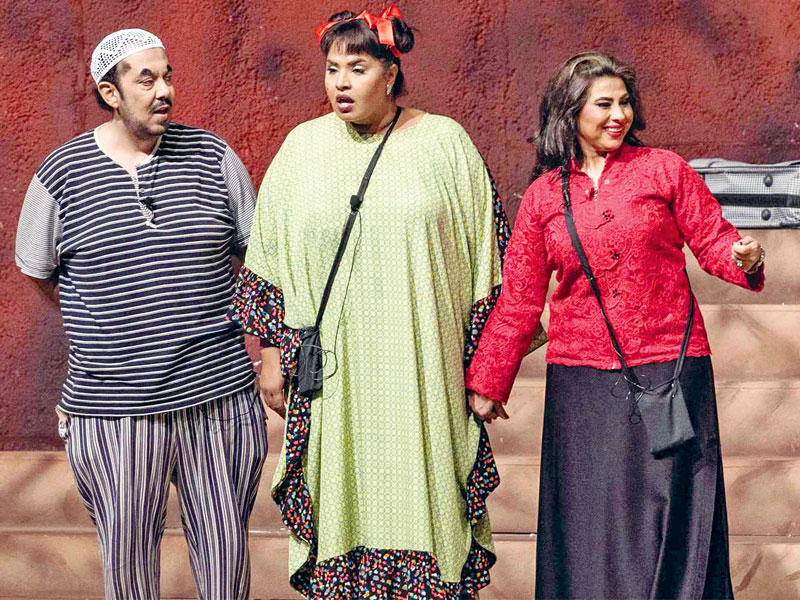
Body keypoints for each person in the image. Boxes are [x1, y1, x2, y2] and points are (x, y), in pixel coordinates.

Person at [227, 5, 544, 597]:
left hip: (424, 375)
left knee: (430, 505)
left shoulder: (444, 143)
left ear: (391, 73)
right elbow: (268, 257)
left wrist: (489, 371)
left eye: (358, 68)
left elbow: (494, 262)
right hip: (335, 382)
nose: (340, 83)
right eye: (332, 69)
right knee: (342, 504)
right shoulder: (300, 150)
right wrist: (269, 354)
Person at [465, 51, 765, 599]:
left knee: (673, 517)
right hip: (583, 384)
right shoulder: (544, 197)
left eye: (624, 102)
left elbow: (713, 239)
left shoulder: (663, 170)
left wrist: (742, 257)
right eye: (604, 104)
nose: (618, 115)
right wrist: (489, 380)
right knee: (591, 523)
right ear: (571, 111)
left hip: (671, 371)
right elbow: (519, 299)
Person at [14, 28, 266, 599]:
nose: (163, 90)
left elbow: (257, 259)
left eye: (167, 76)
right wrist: (110, 328)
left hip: (218, 396)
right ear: (110, 92)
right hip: (113, 410)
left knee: (227, 563)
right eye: (145, 79)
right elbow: (38, 269)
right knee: (127, 568)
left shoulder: (213, 156)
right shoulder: (60, 175)